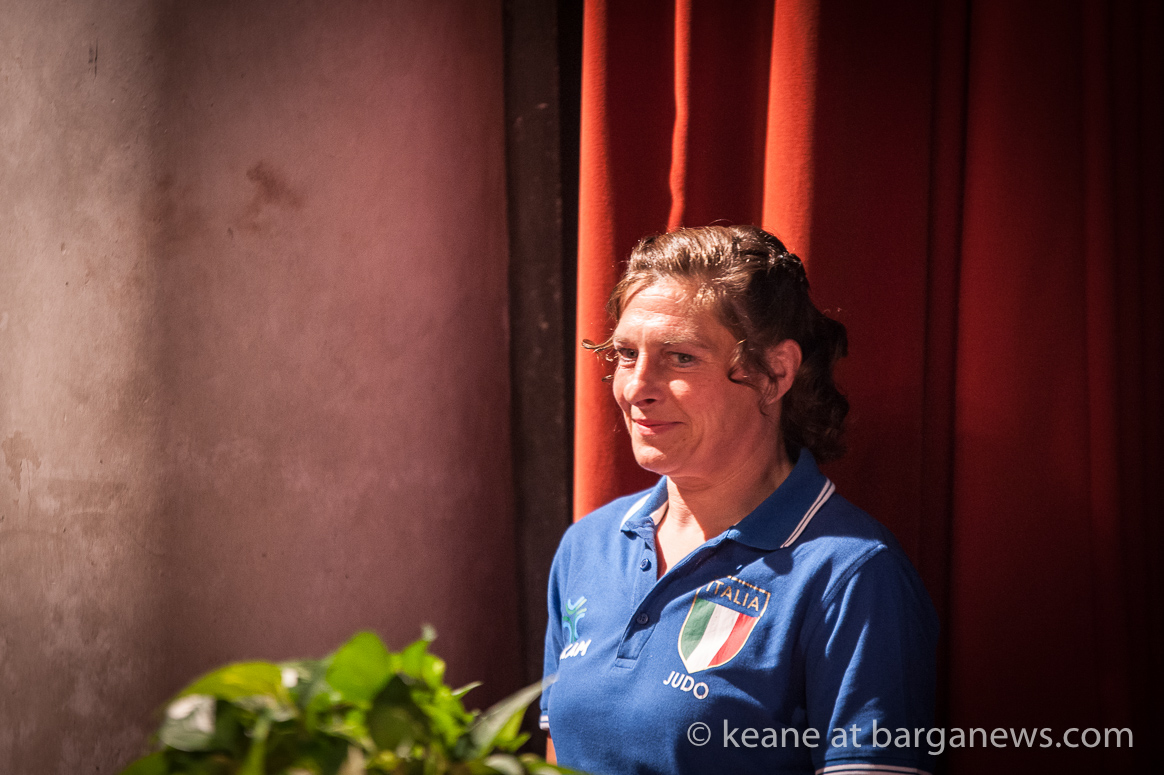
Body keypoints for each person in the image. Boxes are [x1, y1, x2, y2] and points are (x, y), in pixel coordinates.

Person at [540, 225, 938, 775]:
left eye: (680, 357)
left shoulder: (853, 575)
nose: (635, 388)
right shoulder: (588, 545)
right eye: (627, 354)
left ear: (775, 373)